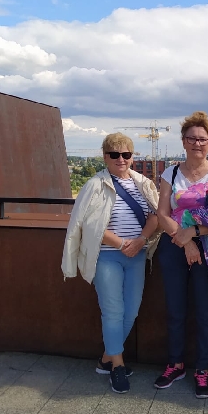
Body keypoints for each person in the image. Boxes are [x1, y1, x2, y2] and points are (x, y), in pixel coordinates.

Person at [62, 133, 159, 394]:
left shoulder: (143, 184)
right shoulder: (94, 185)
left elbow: (155, 216)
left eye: (126, 154)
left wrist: (140, 240)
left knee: (132, 311)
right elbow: (88, 224)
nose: (120, 159)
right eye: (114, 154)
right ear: (105, 157)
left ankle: (106, 358)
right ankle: (117, 365)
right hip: (107, 256)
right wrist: (122, 244)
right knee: (113, 311)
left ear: (132, 157)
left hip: (137, 255)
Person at [154, 111, 208, 398]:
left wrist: (196, 233)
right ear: (183, 141)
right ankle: (175, 364)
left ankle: (203, 369)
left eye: (203, 139)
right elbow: (162, 213)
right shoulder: (171, 173)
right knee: (175, 308)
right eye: (192, 138)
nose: (197, 144)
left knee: (206, 311)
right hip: (174, 244)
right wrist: (185, 241)